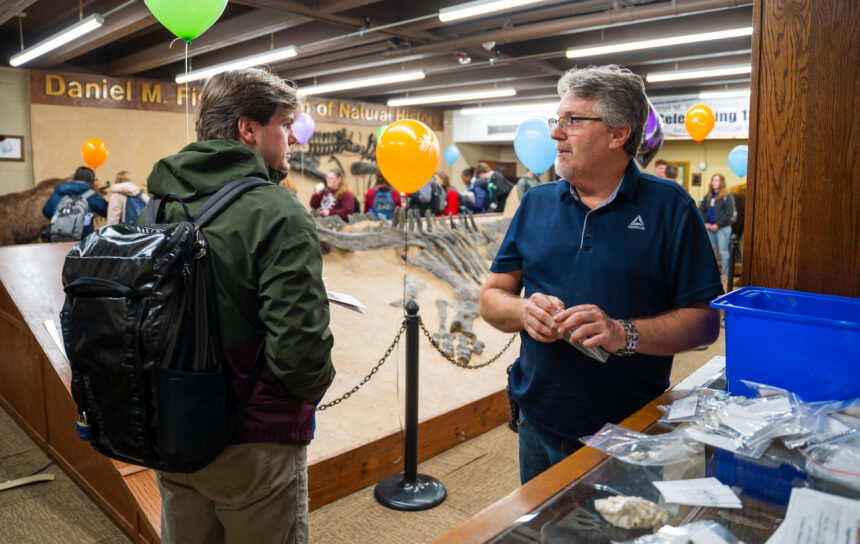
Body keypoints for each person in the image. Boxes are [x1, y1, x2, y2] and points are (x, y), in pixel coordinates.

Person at [480, 65, 722, 484]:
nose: (556, 133)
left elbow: (705, 323)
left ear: (618, 134)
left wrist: (623, 332)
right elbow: (491, 296)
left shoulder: (671, 208)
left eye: (573, 121)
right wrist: (523, 312)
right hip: (538, 422)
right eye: (558, 120)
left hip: (629, 432)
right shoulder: (535, 203)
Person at [146, 68, 335, 544]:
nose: (293, 136)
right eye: (283, 123)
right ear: (247, 129)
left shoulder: (159, 203)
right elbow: (300, 350)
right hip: (254, 440)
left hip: (170, 425)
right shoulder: (279, 210)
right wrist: (304, 395)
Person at [41, 166, 108, 240]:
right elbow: (106, 211)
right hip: (83, 240)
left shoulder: (59, 191)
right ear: (91, 180)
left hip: (57, 235)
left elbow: (46, 211)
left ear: (75, 177)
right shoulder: (91, 194)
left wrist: (63, 220)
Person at [699, 173, 736, 288]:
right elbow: (702, 210)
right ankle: (712, 275)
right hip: (709, 228)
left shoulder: (727, 196)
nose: (714, 182)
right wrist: (705, 223)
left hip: (722, 229)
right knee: (711, 252)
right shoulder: (708, 196)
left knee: (724, 252)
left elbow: (729, 213)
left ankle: (725, 275)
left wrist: (718, 225)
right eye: (713, 180)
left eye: (717, 180)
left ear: (721, 183)